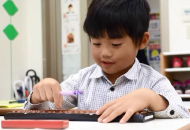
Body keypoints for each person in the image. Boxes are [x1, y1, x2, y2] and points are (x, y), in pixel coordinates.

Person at [24, 0, 190, 123]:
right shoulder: (81, 86)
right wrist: (41, 95)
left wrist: (150, 98)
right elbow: (55, 102)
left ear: (142, 40)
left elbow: (183, 113)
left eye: (115, 44)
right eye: (96, 43)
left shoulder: (152, 81)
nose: (105, 53)